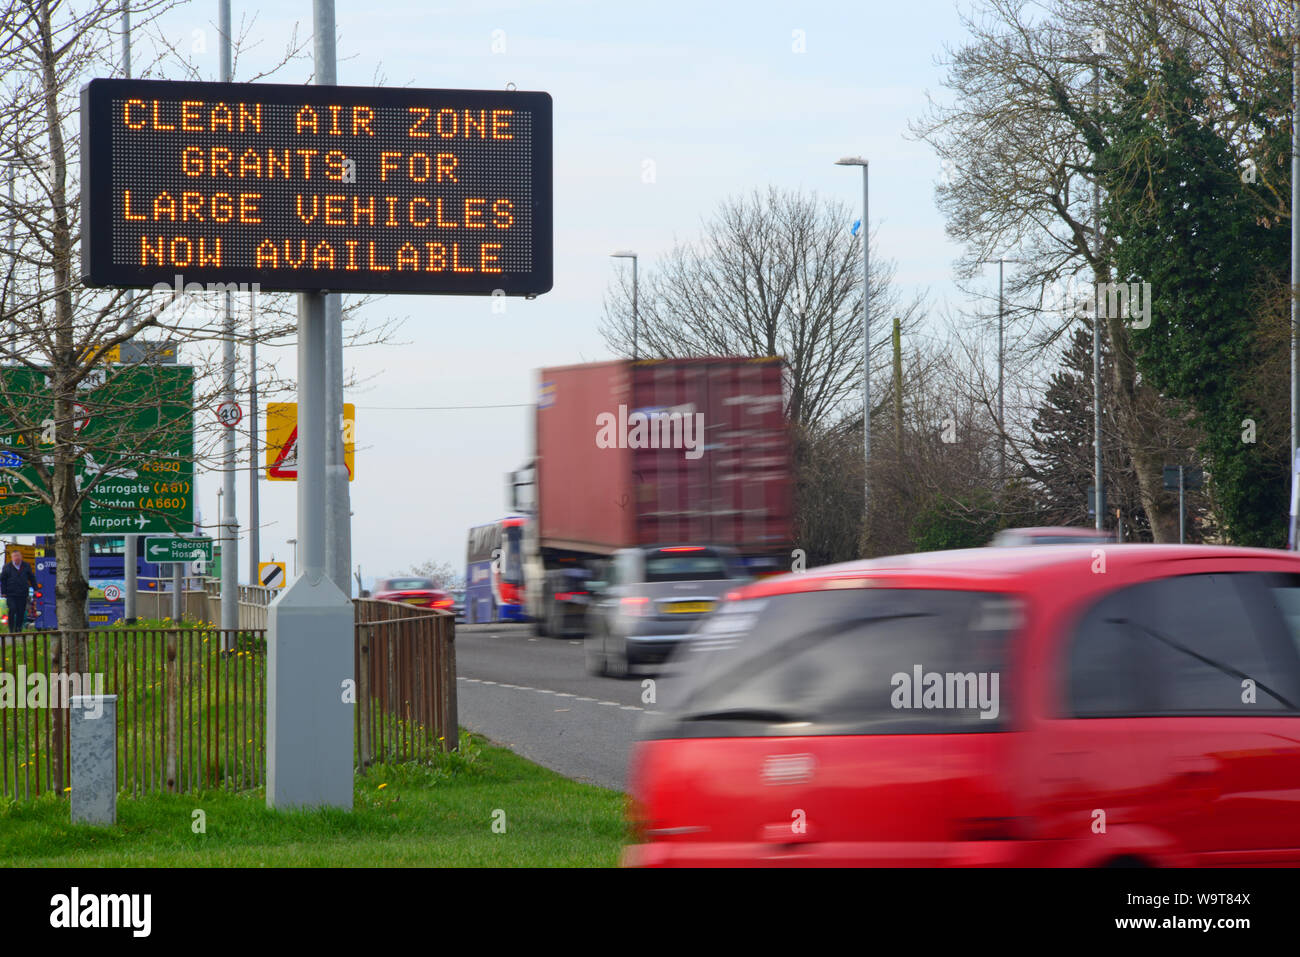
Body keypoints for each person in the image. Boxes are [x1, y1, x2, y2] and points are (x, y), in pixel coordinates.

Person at [1, 548, 37, 632]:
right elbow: (3, 580)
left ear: (21, 557)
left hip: (22, 593)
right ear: (12, 558)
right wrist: (3, 592)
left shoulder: (26, 565)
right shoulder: (7, 567)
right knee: (12, 609)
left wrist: (35, 588)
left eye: (18, 556)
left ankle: (18, 628)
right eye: (14, 556)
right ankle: (11, 629)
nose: (16, 558)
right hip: (11, 593)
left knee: (21, 611)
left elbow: (31, 578)